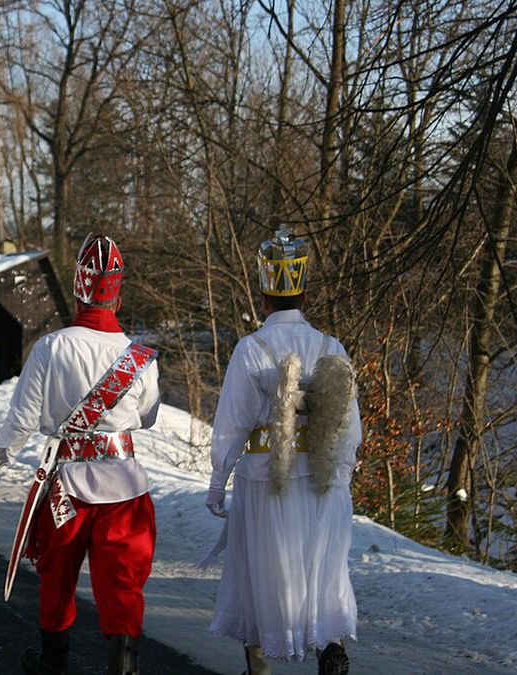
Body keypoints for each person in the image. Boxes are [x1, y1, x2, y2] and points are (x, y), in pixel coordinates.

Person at [0, 233, 161, 675]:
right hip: (125, 485)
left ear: (78, 286)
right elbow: (148, 418)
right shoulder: (139, 357)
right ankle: (124, 666)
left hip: (68, 487)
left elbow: (20, 421)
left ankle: (53, 663)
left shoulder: (51, 348)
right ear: (118, 290)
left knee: (57, 576)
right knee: (123, 584)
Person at [204, 227, 361, 675]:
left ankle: (258, 668)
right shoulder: (332, 347)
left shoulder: (251, 349)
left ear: (264, 294)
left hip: (264, 479)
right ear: (304, 292)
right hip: (322, 478)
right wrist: (342, 475)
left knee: (260, 572)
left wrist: (218, 482)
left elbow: (232, 423)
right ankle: (330, 648)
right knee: (323, 569)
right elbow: (350, 427)